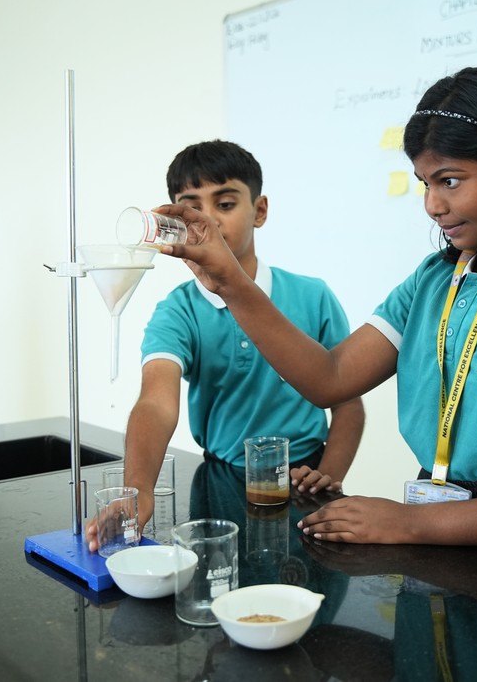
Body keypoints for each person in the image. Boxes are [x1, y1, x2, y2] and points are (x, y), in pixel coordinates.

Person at [154, 68, 477, 567]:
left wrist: (407, 522)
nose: (433, 205)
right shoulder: (434, 281)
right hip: (446, 520)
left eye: (450, 181)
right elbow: (330, 378)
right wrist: (230, 282)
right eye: (425, 183)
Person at [87, 140, 365, 552]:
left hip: (306, 479)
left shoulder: (313, 296)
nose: (209, 221)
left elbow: (349, 405)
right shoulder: (178, 311)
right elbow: (156, 402)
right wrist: (139, 490)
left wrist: (328, 477)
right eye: (192, 206)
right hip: (222, 485)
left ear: (260, 210)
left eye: (226, 203)